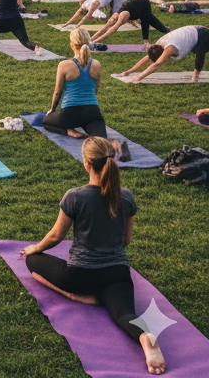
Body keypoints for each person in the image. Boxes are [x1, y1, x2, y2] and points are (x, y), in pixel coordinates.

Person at [19, 136, 164, 376]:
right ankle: (145, 336)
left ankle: (76, 296)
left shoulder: (75, 196)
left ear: (86, 163)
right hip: (117, 274)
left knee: (32, 261)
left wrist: (36, 248)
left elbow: (55, 236)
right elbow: (125, 241)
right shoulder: (126, 197)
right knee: (124, 314)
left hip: (79, 277)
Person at [42, 29, 125, 154]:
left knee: (46, 122)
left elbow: (57, 92)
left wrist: (52, 110)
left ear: (72, 44)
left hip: (69, 114)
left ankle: (69, 131)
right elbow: (95, 89)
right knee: (101, 139)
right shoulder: (97, 64)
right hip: (92, 113)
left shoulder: (64, 65)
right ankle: (115, 145)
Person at [118, 25, 209, 83]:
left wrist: (138, 78)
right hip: (196, 30)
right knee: (199, 50)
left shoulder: (170, 48)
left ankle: (195, 78)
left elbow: (156, 65)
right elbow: (146, 59)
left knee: (200, 52)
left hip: (203, 34)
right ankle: (195, 77)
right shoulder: (159, 44)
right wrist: (129, 71)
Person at [89, 0, 170, 48]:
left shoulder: (124, 14)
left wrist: (96, 41)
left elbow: (111, 31)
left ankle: (147, 41)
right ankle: (166, 29)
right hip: (135, 4)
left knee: (146, 20)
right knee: (153, 20)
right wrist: (90, 39)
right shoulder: (115, 14)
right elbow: (105, 28)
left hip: (143, 4)